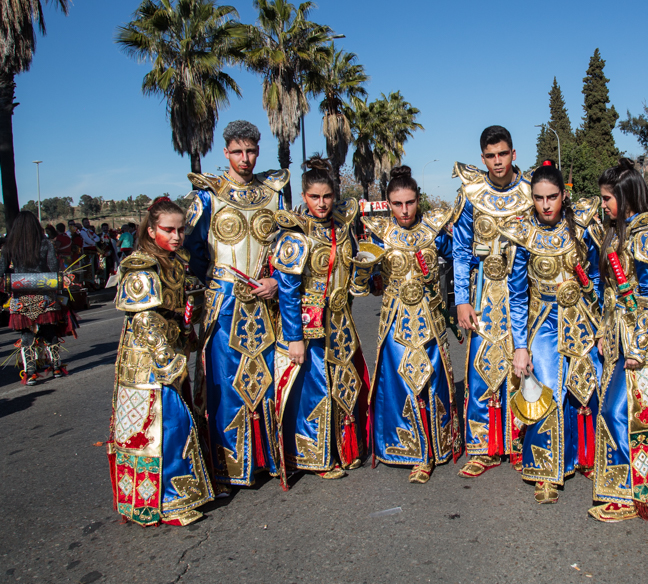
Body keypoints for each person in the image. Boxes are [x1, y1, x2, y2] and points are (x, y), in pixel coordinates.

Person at [182, 120, 290, 490]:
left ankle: (268, 458)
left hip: (265, 301)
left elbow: (287, 247)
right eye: (238, 151)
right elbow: (194, 251)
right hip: (224, 304)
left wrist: (277, 279)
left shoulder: (274, 191)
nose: (245, 158)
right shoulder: (207, 194)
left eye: (251, 151)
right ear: (225, 152)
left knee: (267, 379)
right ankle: (227, 466)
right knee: (224, 383)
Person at [108, 198, 214, 526]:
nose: (177, 236)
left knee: (174, 424)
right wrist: (165, 358)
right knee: (163, 427)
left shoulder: (173, 261)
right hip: (146, 361)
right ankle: (164, 500)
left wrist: (186, 332)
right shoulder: (140, 264)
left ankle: (170, 495)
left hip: (169, 351)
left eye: (181, 229)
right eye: (169, 230)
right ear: (152, 230)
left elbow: (175, 307)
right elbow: (144, 320)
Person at [350, 165, 456, 483]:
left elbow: (459, 260)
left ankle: (436, 447)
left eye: (410, 202)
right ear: (388, 203)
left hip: (431, 320)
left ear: (418, 200)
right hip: (396, 321)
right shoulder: (381, 235)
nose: (405, 210)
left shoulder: (435, 230)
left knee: (432, 381)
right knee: (400, 382)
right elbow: (367, 286)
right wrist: (366, 271)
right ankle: (405, 447)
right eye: (398, 204)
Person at [505, 161, 603, 503]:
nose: (546, 205)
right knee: (545, 388)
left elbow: (598, 281)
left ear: (564, 195)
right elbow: (517, 295)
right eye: (538, 198)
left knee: (590, 385)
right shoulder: (522, 235)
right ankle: (546, 470)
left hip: (582, 318)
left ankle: (587, 458)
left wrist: (603, 326)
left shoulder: (585, 226)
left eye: (552, 197)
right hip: (543, 319)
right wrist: (520, 345)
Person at [590, 158, 648, 522]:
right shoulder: (618, 228)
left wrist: (639, 347)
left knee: (624, 411)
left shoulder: (647, 230)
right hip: (617, 335)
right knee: (617, 410)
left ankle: (637, 493)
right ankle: (629, 490)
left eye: (608, 198)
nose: (604, 206)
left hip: (647, 340)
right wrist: (602, 330)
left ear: (626, 197)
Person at [271, 156, 369, 480]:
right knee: (316, 390)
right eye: (315, 197)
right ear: (304, 197)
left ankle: (344, 450)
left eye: (327, 196)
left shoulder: (343, 227)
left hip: (341, 323)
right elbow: (287, 290)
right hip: (309, 328)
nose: (322, 203)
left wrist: (365, 274)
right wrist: (294, 337)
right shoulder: (294, 234)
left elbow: (353, 277)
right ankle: (316, 456)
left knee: (344, 385)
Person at [451, 126, 534, 477]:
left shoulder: (533, 191)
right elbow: (460, 251)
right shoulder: (471, 193)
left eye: (503, 154)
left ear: (513, 154)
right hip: (484, 293)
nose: (497, 162)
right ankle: (483, 446)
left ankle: (521, 439)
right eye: (490, 156)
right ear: (482, 158)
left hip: (524, 292)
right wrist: (460, 299)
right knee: (481, 365)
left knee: (523, 359)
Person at [0, 212, 73, 385]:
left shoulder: (10, 245)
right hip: (44, 294)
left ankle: (30, 371)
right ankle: (56, 367)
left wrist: (18, 275)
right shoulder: (45, 242)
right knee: (49, 330)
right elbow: (53, 268)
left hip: (21, 294)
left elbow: (2, 271)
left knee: (26, 333)